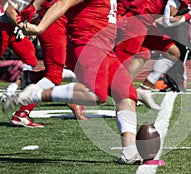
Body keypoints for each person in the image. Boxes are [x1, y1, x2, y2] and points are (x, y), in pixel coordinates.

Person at [4, 0, 142, 164]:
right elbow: (62, 2)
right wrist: (39, 27)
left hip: (104, 47)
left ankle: (130, 152)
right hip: (87, 43)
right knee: (95, 95)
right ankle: (36, 94)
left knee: (126, 93)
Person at [5, 0, 88, 128]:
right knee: (54, 75)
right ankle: (21, 112)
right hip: (54, 23)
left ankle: (31, 78)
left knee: (74, 67)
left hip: (64, 24)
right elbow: (10, 8)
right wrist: (24, 26)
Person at [115, 0, 191, 110]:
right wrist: (190, 15)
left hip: (147, 23)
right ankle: (121, 95)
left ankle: (145, 89)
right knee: (124, 62)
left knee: (172, 52)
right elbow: (167, 21)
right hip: (136, 21)